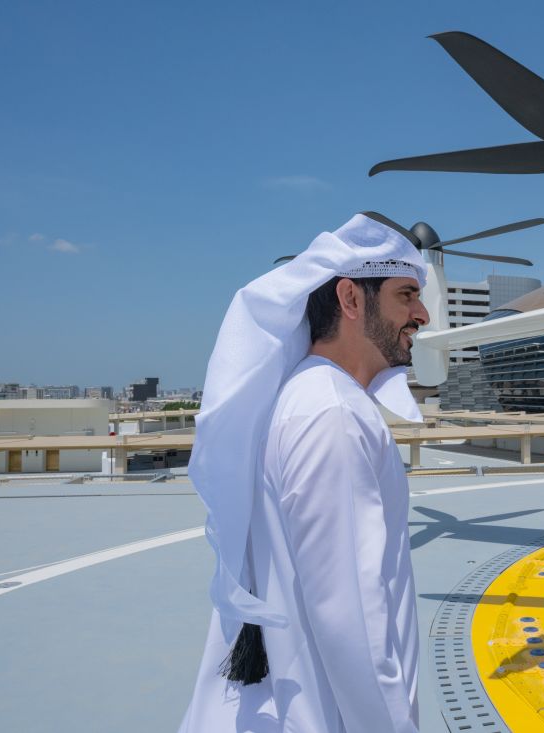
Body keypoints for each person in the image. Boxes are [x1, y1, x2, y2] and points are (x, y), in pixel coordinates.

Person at [179, 212, 430, 733]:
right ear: (351, 299)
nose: (423, 314)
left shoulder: (307, 396)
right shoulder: (332, 414)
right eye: (407, 294)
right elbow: (352, 622)